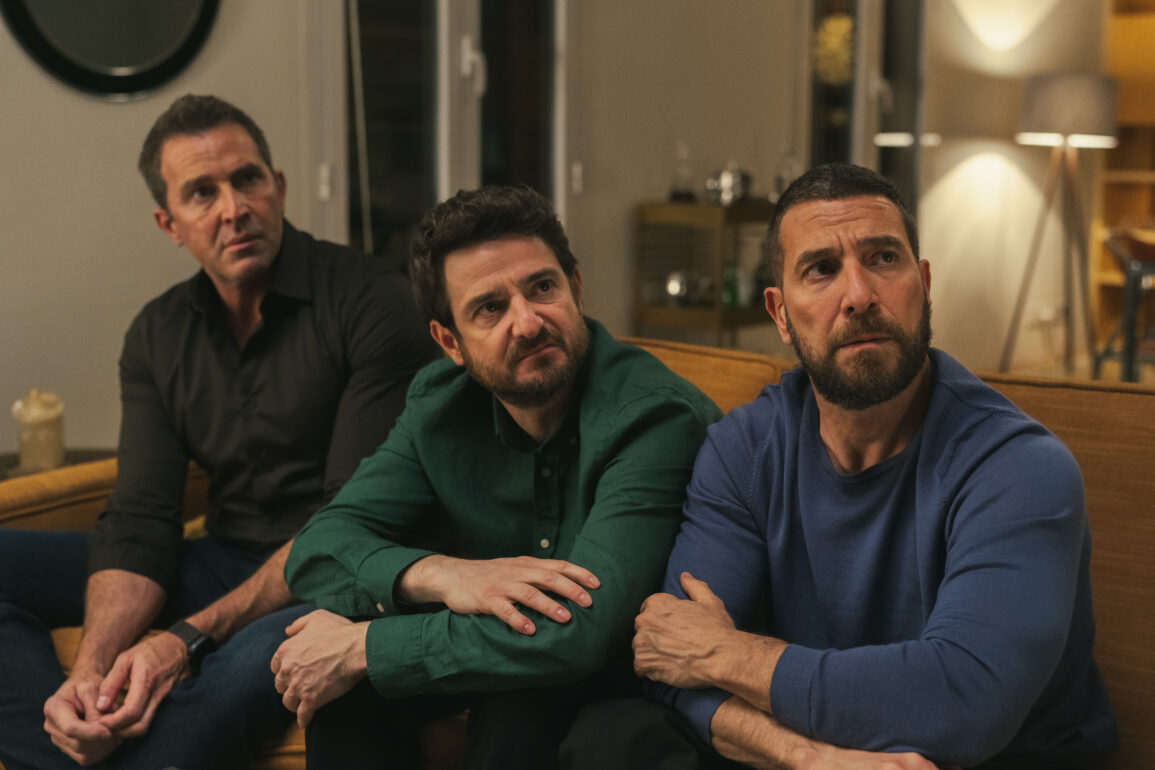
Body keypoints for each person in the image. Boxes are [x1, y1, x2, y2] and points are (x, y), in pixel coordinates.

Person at [561, 162, 1118, 769]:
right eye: (821, 269)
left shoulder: (1019, 468)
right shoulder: (745, 449)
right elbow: (670, 665)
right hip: (814, 748)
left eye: (883, 258)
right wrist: (809, 759)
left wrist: (726, 655)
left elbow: (961, 704)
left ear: (924, 284)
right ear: (779, 314)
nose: (858, 295)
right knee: (608, 739)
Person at [0, 94, 439, 770]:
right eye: (202, 192)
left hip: (337, 575)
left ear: (278, 186)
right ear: (169, 223)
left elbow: (347, 528)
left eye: (247, 179)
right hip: (221, 559)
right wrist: (88, 674)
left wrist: (185, 639)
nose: (233, 208)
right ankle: (62, 745)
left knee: (240, 673)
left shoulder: (370, 302)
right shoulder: (157, 334)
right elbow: (142, 518)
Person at [269, 184, 723, 768]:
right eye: (490, 308)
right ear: (449, 342)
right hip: (510, 652)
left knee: (516, 706)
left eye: (542, 288)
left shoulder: (653, 416)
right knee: (346, 697)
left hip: (623, 672)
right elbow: (317, 550)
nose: (528, 322)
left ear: (575, 286)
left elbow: (581, 631)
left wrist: (366, 645)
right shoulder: (439, 407)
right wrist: (445, 575)